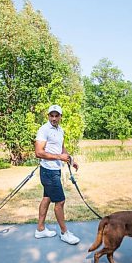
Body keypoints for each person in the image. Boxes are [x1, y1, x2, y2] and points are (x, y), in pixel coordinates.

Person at [34, 104, 80, 245]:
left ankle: (40, 230)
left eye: (56, 115)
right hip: (48, 171)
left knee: (47, 198)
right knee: (60, 201)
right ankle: (64, 233)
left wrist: (70, 160)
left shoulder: (60, 130)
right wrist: (59, 157)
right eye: (51, 115)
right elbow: (38, 152)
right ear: (48, 116)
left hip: (55, 170)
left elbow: (61, 148)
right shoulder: (43, 130)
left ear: (60, 117)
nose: (54, 118)